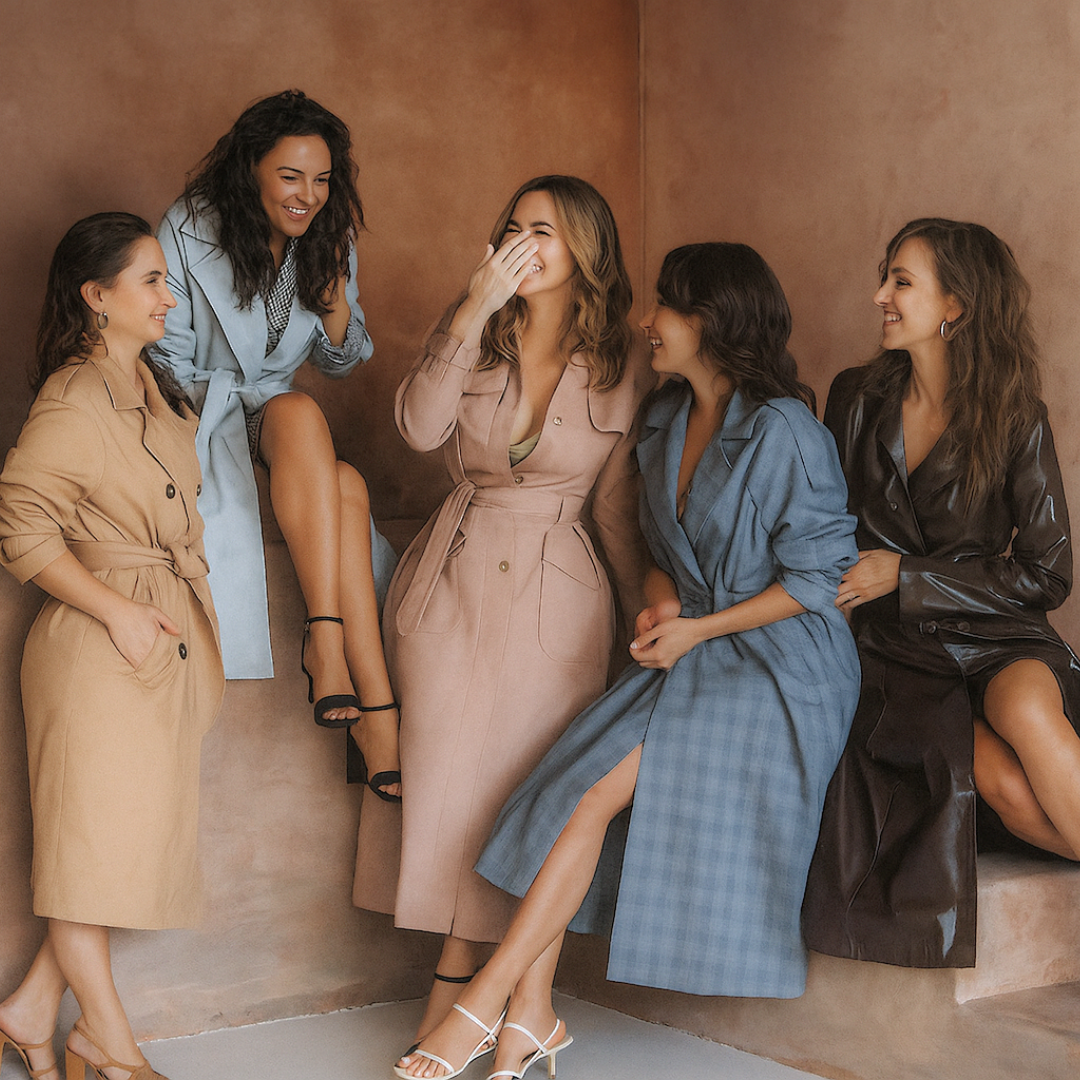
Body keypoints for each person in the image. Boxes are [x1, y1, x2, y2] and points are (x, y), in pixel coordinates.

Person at [392, 242, 861, 1080]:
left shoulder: (786, 428)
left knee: (603, 785)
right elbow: (655, 547)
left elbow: (820, 580)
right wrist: (663, 602)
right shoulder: (663, 417)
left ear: (711, 321)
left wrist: (699, 632)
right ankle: (532, 1015)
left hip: (783, 665)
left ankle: (481, 1006)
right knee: (571, 785)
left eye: (666, 308)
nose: (647, 322)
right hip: (693, 646)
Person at [353, 175, 654, 1047]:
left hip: (560, 593)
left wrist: (641, 633)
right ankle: (502, 1009)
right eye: (514, 230)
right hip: (450, 578)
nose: (526, 245)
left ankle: (473, 1008)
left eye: (546, 232)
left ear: (586, 250)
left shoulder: (630, 359)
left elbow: (615, 508)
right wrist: (473, 307)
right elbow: (416, 427)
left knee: (523, 793)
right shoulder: (474, 332)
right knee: (450, 785)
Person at [803, 218, 1080, 968]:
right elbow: (823, 528)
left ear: (954, 304)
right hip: (896, 649)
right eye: (885, 277)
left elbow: (1049, 573)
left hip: (995, 631)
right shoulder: (855, 398)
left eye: (901, 281)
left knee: (1025, 706)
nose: (879, 296)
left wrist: (908, 575)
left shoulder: (1016, 415)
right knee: (1004, 789)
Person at [0, 213, 224, 1080]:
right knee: (86, 859)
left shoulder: (156, 387)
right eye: (152, 282)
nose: (170, 297)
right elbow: (19, 520)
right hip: (97, 652)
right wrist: (116, 611)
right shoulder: (74, 399)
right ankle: (108, 1044)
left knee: (117, 852)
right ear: (97, 297)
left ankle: (25, 1012)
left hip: (160, 645)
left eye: (167, 280)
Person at [152, 89, 400, 800]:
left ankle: (330, 646)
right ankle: (372, 707)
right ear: (252, 167)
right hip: (194, 410)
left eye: (322, 179)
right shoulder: (187, 227)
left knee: (298, 414)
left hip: (277, 416)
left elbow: (341, 361)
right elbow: (157, 356)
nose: (308, 196)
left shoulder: (328, 236)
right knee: (341, 481)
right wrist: (218, 405)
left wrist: (339, 309)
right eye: (291, 176)